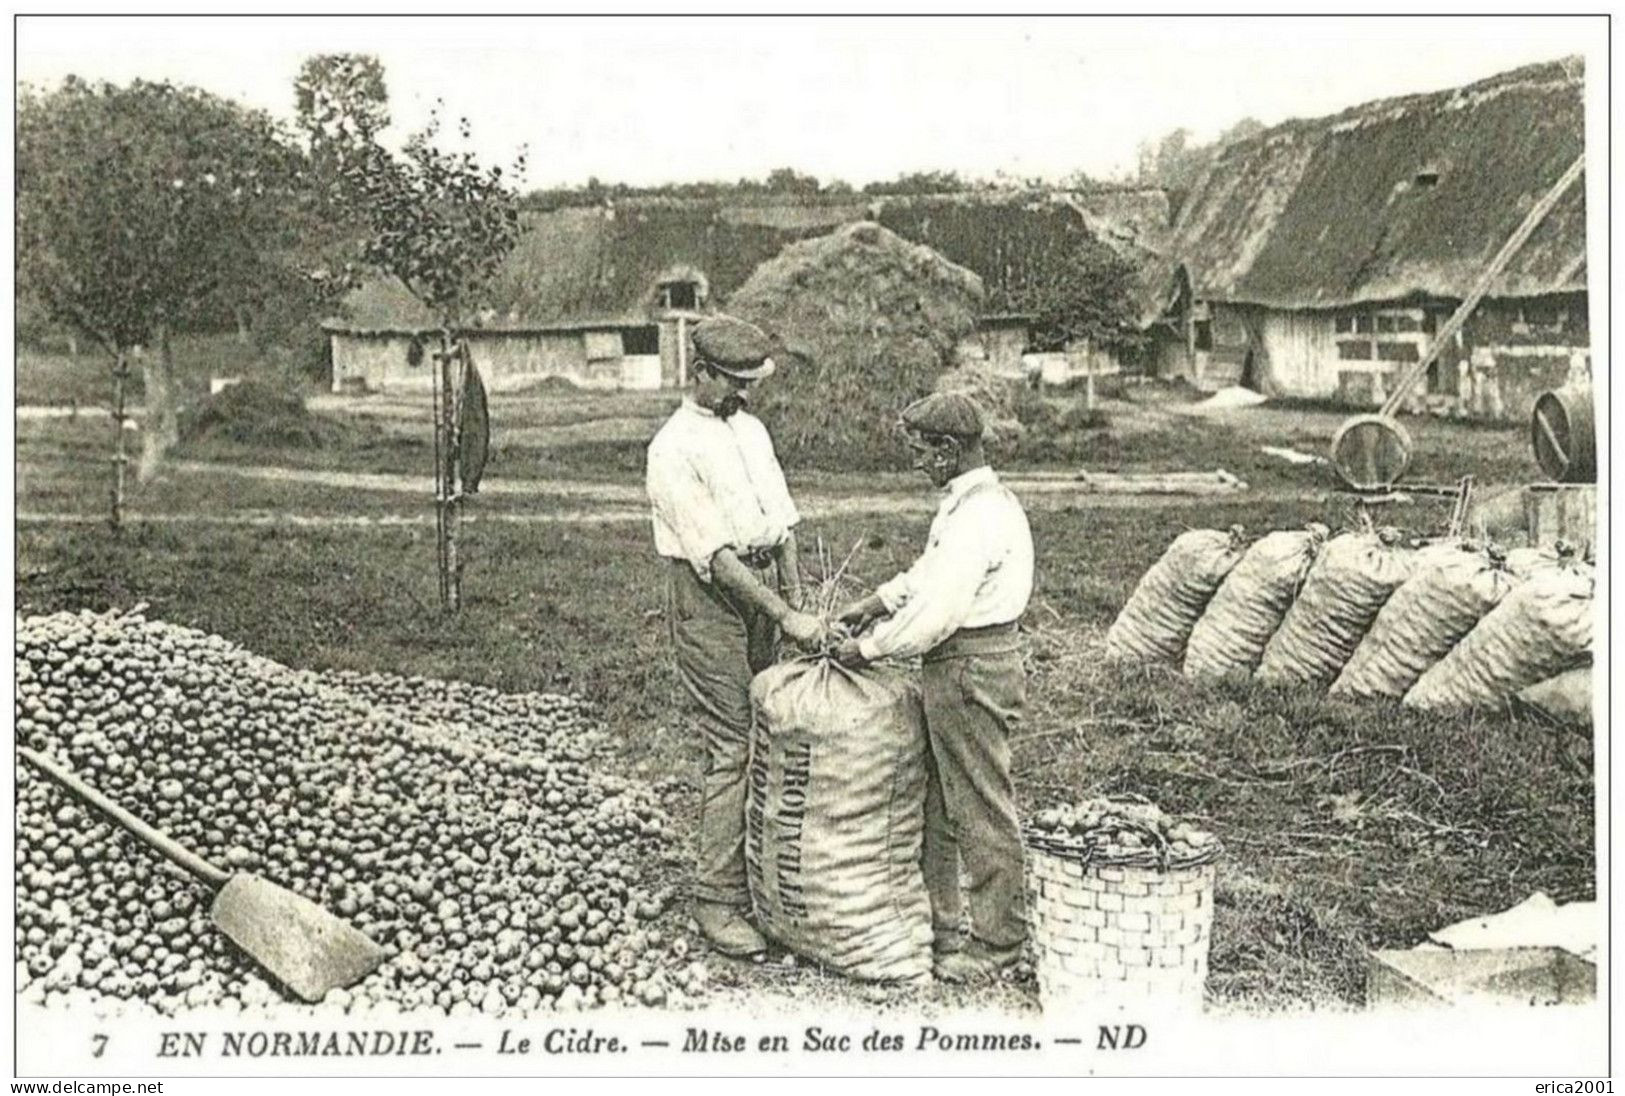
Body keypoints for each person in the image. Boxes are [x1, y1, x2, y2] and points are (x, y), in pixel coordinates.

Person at [831, 391, 1034, 983]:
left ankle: (999, 943)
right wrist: (877, 600)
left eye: (921, 450)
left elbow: (937, 614)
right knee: (944, 803)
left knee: (978, 805)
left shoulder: (979, 517)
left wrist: (867, 648)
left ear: (948, 449)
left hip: (969, 666)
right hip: (963, 663)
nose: (917, 461)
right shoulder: (971, 505)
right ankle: (945, 927)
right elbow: (928, 575)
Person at [645, 314, 828, 959]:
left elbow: (782, 525)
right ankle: (714, 901)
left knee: (769, 733)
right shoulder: (671, 450)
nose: (744, 395)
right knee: (732, 743)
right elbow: (716, 557)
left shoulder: (750, 431)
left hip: (762, 596)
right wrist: (784, 616)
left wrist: (798, 599)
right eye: (734, 383)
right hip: (709, 602)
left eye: (752, 384)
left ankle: (756, 878)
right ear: (699, 374)